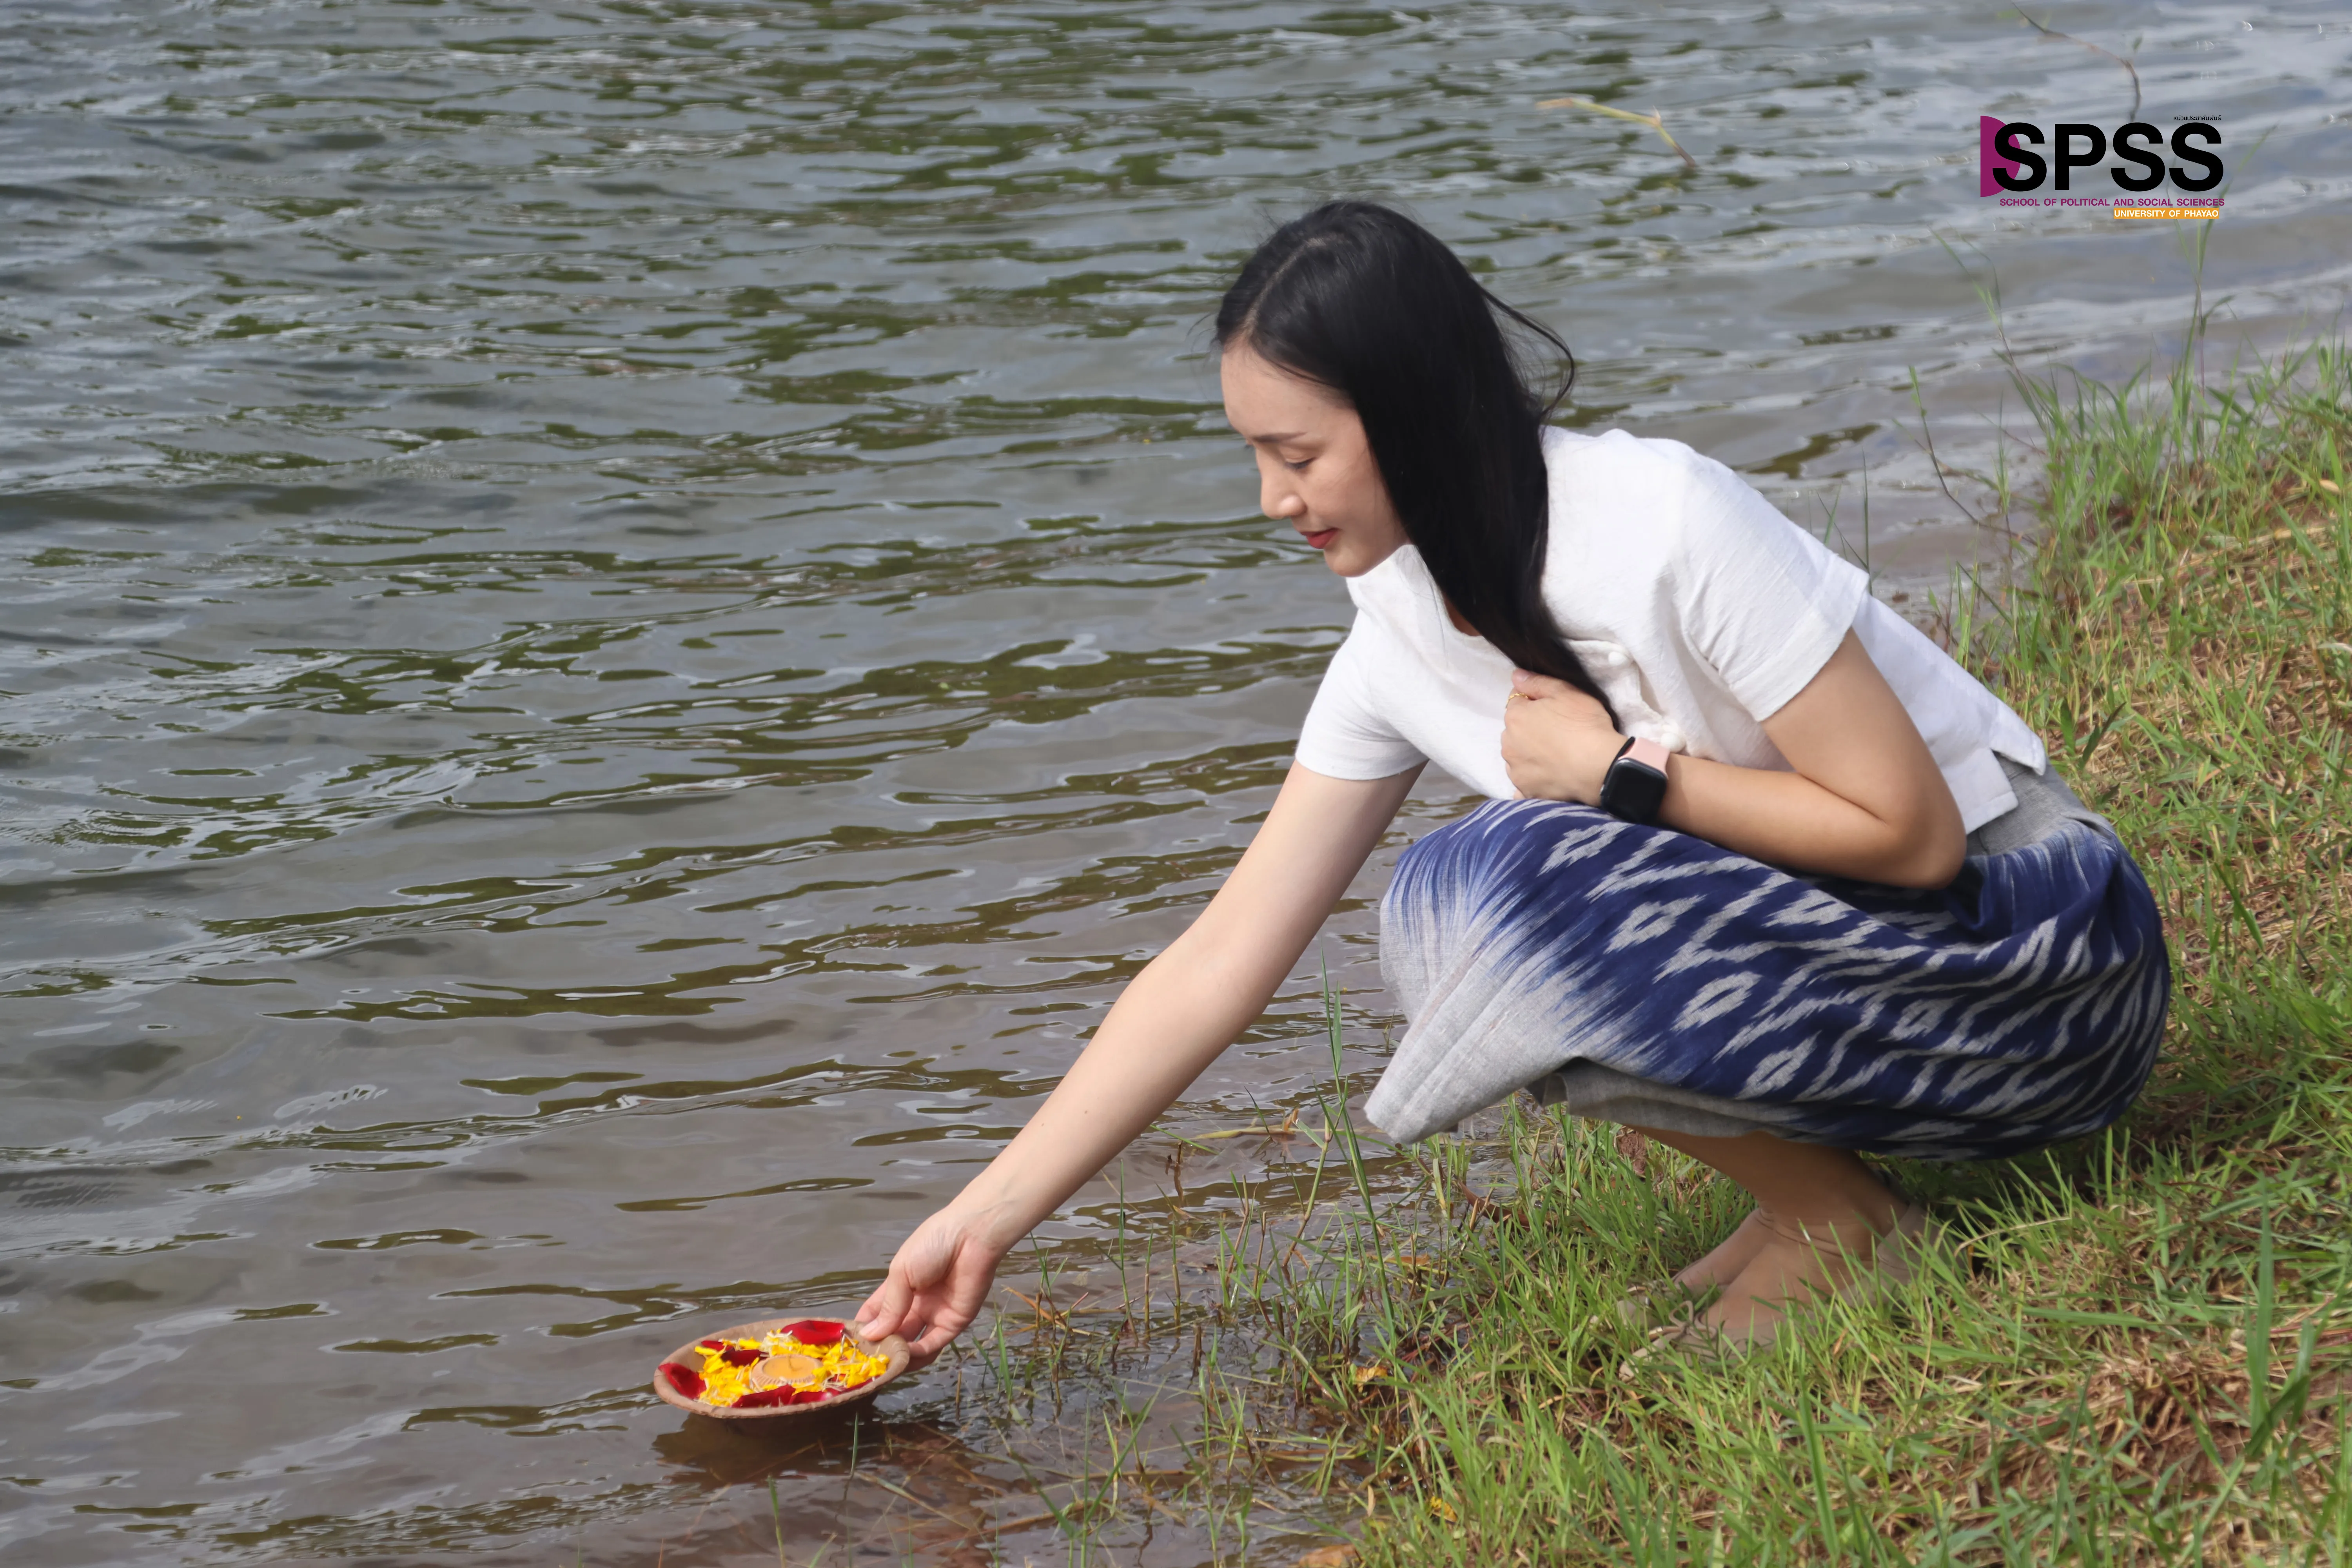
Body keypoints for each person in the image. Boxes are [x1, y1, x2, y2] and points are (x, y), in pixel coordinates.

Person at [854, 200, 2169, 1358]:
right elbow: (1218, 961)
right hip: (1896, 976)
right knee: (1484, 902)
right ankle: (1815, 1209)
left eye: (1297, 455)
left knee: (1486, 884)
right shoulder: (1396, 638)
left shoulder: (1660, 521)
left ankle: (1851, 1226)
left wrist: (1620, 777)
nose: (1269, 498)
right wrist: (979, 1225)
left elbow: (1917, 837)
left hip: (2049, 960)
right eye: (1252, 455)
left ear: (1414, 418)